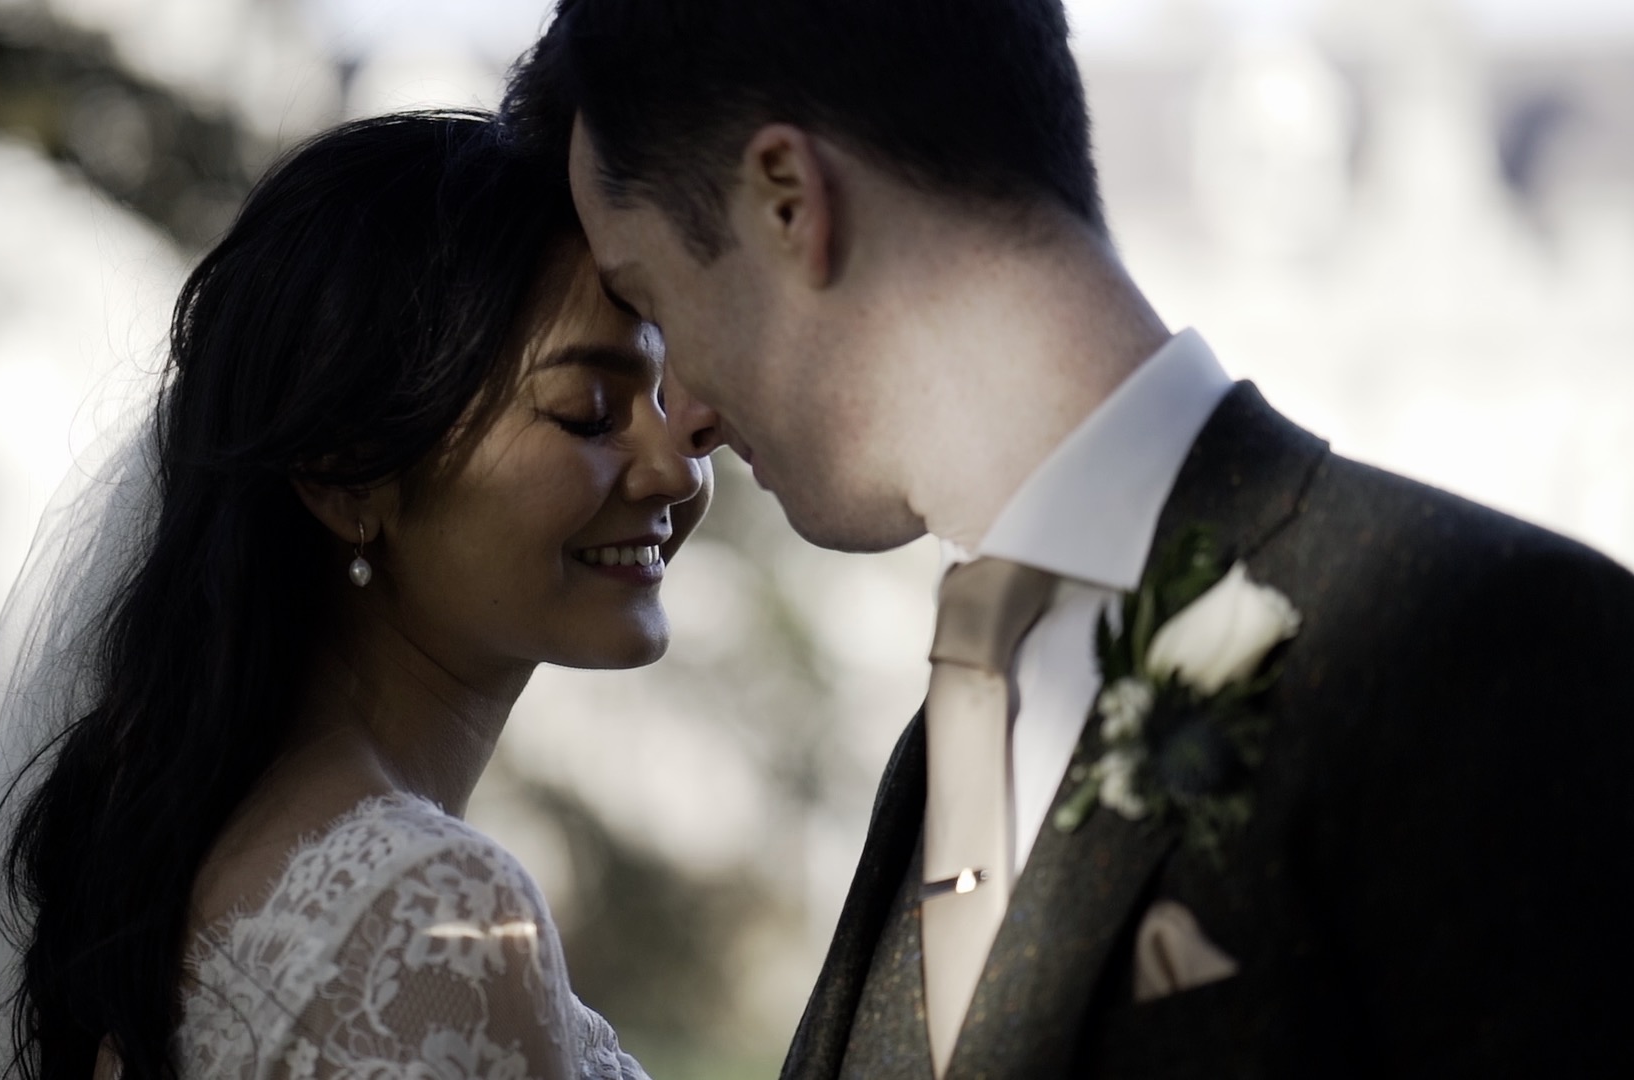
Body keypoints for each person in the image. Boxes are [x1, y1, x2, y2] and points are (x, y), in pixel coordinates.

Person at [507, 1, 1634, 1076]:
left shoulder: (1497, 646)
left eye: (658, 301)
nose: (685, 412)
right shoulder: (942, 743)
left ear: (791, 199)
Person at [0, 113, 716, 1080]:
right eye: (589, 412)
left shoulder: (209, 849)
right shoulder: (435, 912)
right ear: (348, 475)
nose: (677, 470)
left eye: (669, 399)